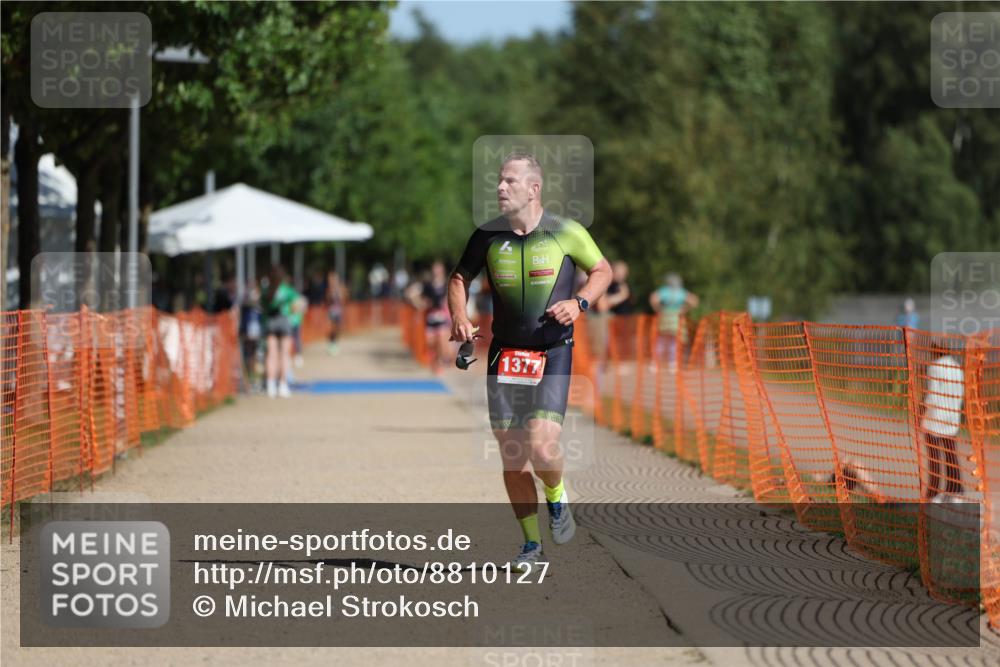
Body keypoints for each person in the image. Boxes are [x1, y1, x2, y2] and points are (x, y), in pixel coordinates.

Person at [448, 153, 612, 570]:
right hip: (504, 354)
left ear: (533, 189)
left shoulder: (566, 232)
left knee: (542, 446)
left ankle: (557, 498)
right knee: (512, 455)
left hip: (552, 350)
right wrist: (459, 317)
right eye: (499, 182)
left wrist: (579, 303)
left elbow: (602, 270)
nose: (500, 188)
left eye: (509, 182)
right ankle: (531, 545)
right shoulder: (486, 236)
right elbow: (459, 279)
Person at [921, 344, 965, 502]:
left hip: (935, 418)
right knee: (951, 455)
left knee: (934, 457)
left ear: (935, 349)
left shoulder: (935, 367)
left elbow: (932, 396)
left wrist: (923, 412)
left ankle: (933, 492)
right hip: (952, 417)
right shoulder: (957, 367)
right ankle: (956, 490)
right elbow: (961, 393)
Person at [407, 261, 452, 375]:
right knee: (431, 344)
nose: (436, 272)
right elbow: (410, 293)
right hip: (431, 318)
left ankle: (439, 364)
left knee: (441, 342)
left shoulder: (447, 284)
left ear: (443, 271)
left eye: (439, 269)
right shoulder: (427, 285)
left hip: (442, 318)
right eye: (435, 270)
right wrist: (420, 304)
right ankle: (434, 361)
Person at [261, 265, 301, 398]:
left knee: (271, 354)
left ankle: (270, 385)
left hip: (270, 321)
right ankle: (283, 385)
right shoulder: (287, 290)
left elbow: (262, 306)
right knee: (284, 354)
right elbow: (297, 304)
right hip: (284, 321)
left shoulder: (266, 290)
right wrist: (291, 314)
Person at [649, 273, 699, 374]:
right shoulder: (681, 292)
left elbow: (653, 299)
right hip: (676, 318)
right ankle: (672, 363)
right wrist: (685, 309)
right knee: (674, 341)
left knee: (662, 341)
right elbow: (694, 301)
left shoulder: (664, 291)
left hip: (666, 316)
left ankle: (656, 363)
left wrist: (658, 309)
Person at [326, 270, 346, 355]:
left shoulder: (341, 288)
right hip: (331, 311)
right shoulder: (329, 289)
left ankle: (334, 342)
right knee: (332, 328)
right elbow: (327, 300)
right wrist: (331, 294)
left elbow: (345, 298)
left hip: (339, 311)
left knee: (338, 328)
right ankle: (332, 343)